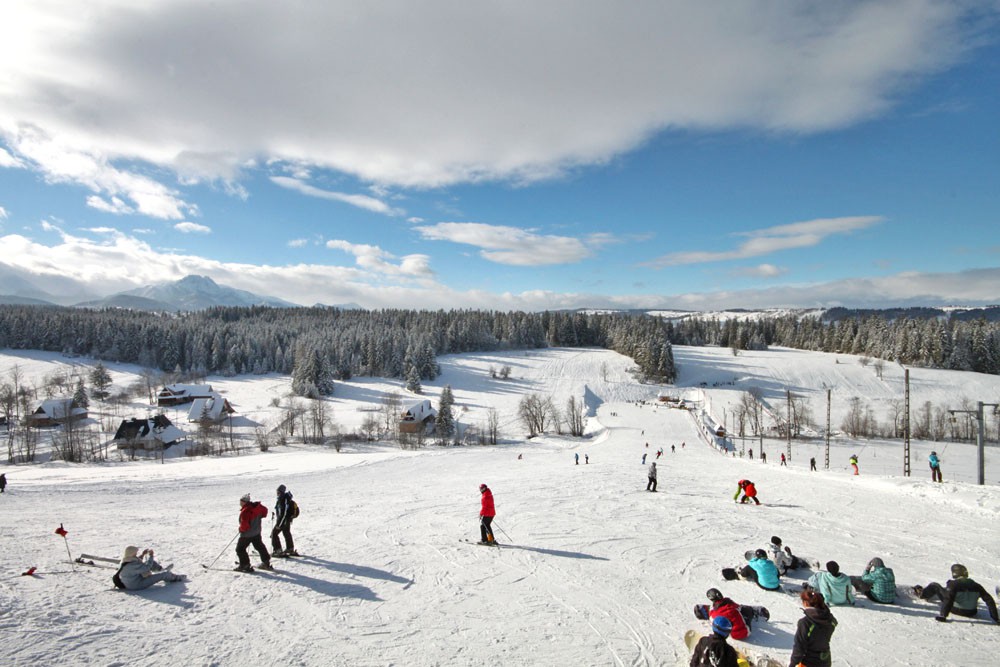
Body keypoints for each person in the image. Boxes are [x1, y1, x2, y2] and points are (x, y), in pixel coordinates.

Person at [914, 563, 999, 623]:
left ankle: (921, 594)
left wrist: (943, 615)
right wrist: (996, 618)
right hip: (972, 612)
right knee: (950, 591)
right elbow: (989, 600)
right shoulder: (976, 585)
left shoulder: (953, 584)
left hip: (957, 610)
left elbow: (948, 599)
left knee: (935, 585)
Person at [790, 589, 837, 667]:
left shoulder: (805, 623)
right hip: (825, 660)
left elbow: (799, 646)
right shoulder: (829, 619)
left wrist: (793, 664)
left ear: (805, 603)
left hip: (808, 662)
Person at [699, 587, 768, 640]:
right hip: (746, 631)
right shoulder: (729, 604)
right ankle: (754, 612)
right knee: (743, 610)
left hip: (731, 634)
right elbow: (739, 607)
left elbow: (712, 619)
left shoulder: (714, 613)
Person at [113, 546, 185, 590]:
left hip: (131, 582)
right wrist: (151, 556)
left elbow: (137, 562)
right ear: (132, 553)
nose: (136, 554)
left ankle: (161, 570)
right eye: (135, 553)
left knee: (150, 562)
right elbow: (146, 567)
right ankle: (176, 577)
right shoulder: (132, 565)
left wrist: (143, 555)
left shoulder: (125, 560)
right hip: (137, 585)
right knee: (164, 574)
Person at [236, 493, 272, 572]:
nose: (240, 503)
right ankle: (266, 562)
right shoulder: (256, 507)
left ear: (244, 502)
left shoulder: (245, 511)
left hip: (247, 534)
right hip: (256, 532)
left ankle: (245, 565)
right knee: (259, 546)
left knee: (240, 549)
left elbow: (245, 525)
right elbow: (265, 512)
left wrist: (241, 529)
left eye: (241, 501)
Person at [271, 484, 297, 557]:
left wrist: (279, 525)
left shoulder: (283, 499)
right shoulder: (285, 498)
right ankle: (290, 548)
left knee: (274, 534)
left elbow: (283, 513)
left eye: (278, 491)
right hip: (287, 520)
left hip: (283, 521)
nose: (277, 493)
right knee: (286, 533)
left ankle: (278, 550)